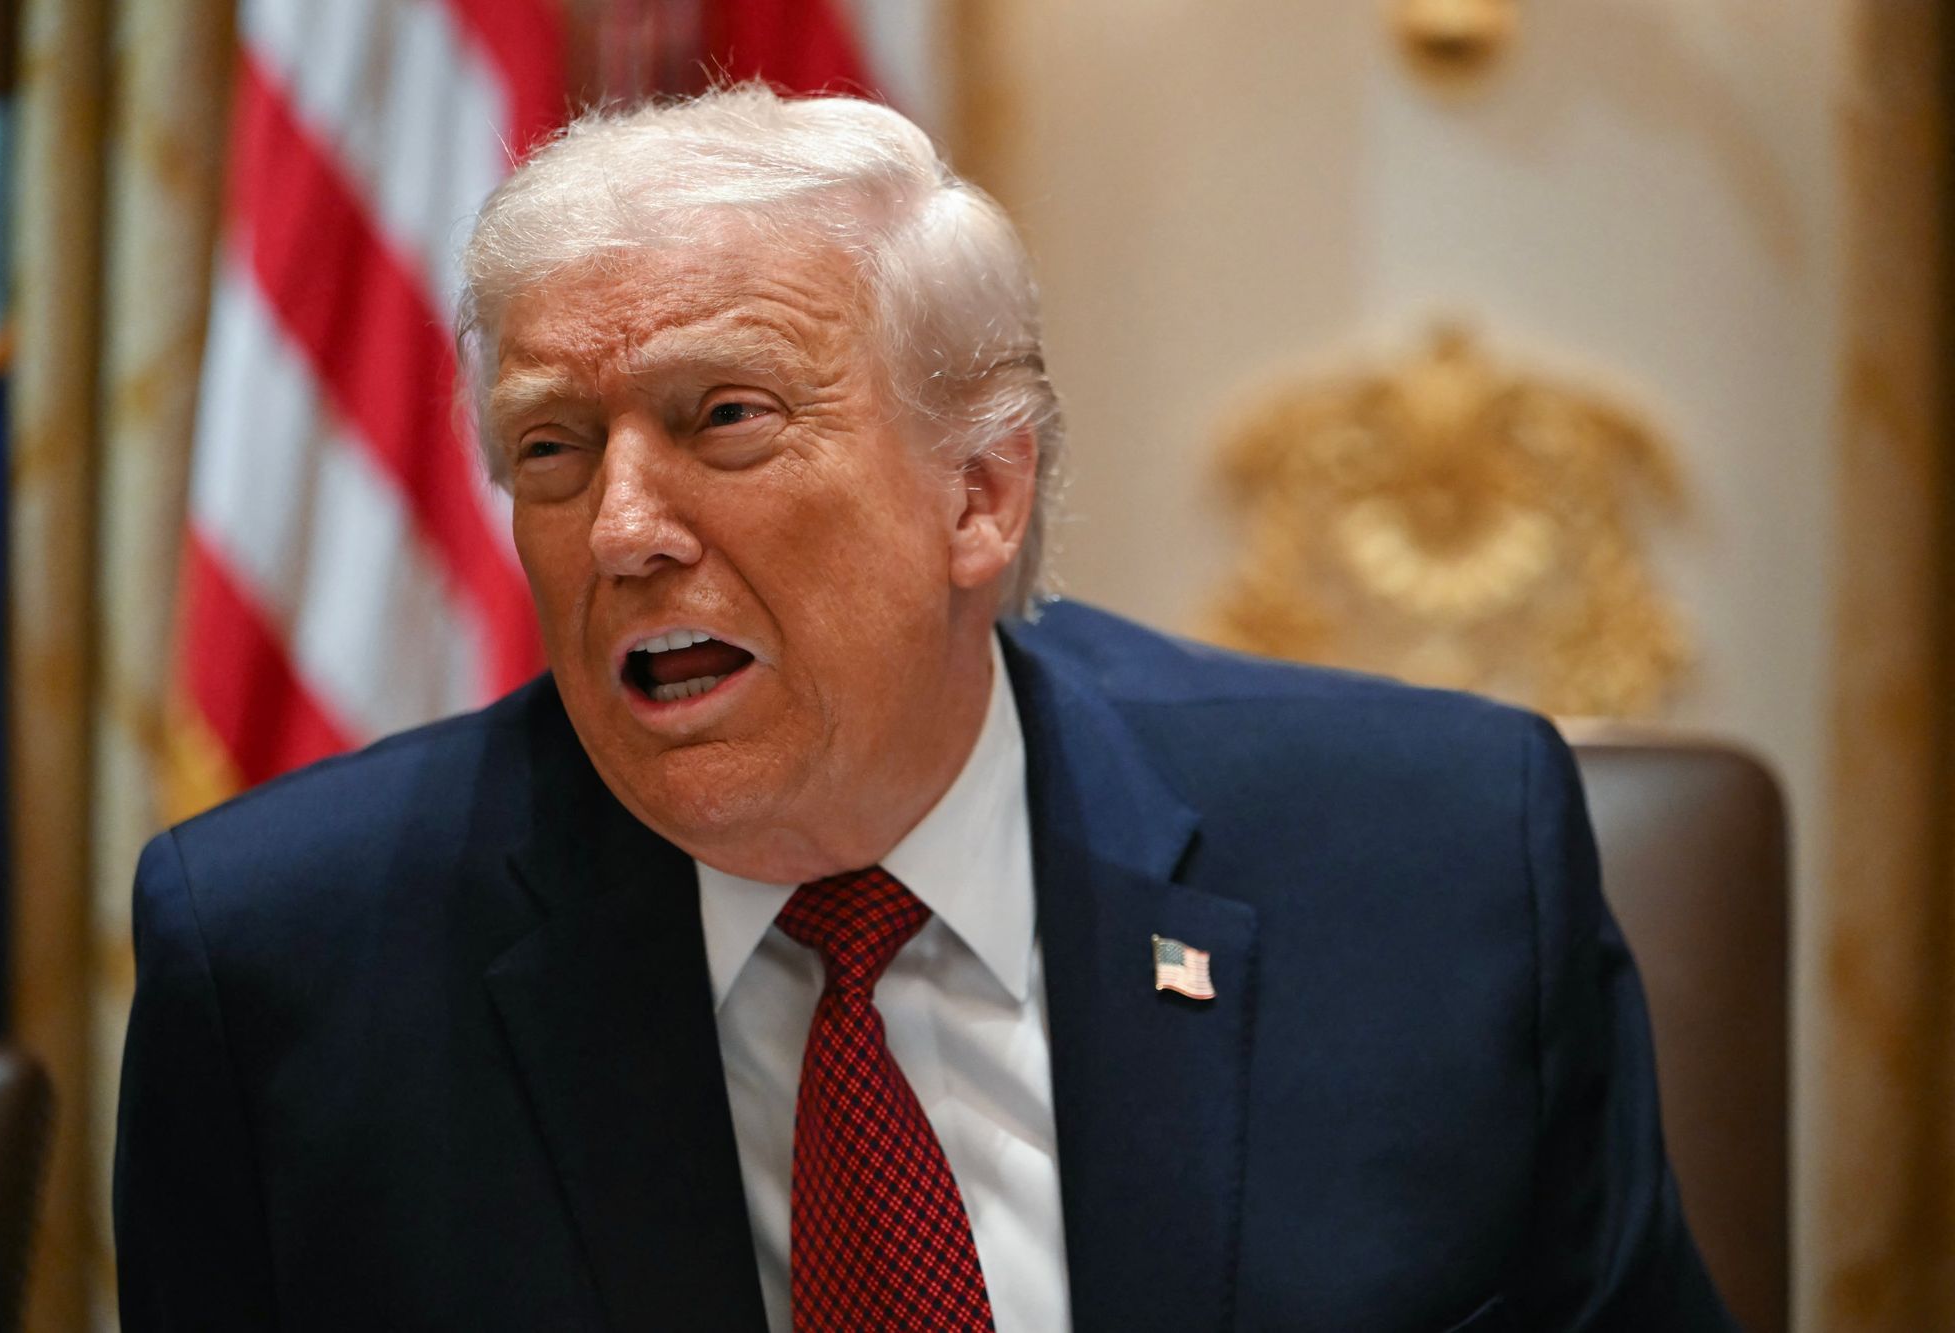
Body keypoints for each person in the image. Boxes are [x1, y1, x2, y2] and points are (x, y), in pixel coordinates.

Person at [115, 85, 1733, 1332]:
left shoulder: (1436, 865)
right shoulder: (287, 965)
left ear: (981, 490)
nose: (620, 528)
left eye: (723, 417)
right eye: (551, 448)